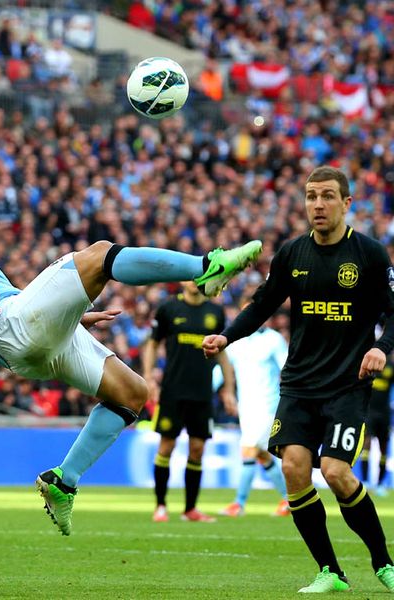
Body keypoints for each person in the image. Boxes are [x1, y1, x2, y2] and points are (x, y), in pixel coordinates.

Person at [0, 183, 262, 535]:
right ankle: (207, 266)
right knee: (101, 253)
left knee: (133, 394)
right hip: (9, 326)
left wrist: (72, 316)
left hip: (30, 342)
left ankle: (64, 481)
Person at [203, 166, 394, 593]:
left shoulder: (370, 255)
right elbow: (262, 305)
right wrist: (226, 336)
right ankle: (330, 571)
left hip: (347, 384)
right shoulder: (291, 254)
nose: (318, 205)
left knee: (337, 471)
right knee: (293, 469)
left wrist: (382, 347)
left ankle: (383, 562)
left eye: (327, 196)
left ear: (347, 203)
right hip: (299, 385)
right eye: (311, 196)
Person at [143, 281, 237, 523]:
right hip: (173, 391)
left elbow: (223, 353)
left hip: (202, 393)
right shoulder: (168, 309)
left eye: (198, 278)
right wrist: (148, 378)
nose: (194, 282)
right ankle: (160, 505)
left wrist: (228, 387)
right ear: (182, 280)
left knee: (197, 449)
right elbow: (152, 344)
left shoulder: (215, 312)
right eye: (189, 277)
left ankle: (190, 509)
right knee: (166, 447)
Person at [216, 298, 290, 517]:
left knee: (248, 449)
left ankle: (238, 504)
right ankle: (289, 500)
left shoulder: (273, 340)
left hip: (268, 405)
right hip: (245, 407)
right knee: (261, 456)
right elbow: (222, 371)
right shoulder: (236, 342)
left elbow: (286, 368)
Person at [360, 348, 393, 496]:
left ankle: (379, 485)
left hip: (384, 413)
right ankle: (366, 482)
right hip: (369, 412)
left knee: (383, 449)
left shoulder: (391, 367)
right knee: (366, 445)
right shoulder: (369, 364)